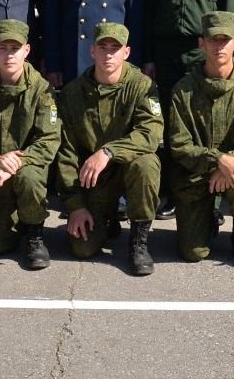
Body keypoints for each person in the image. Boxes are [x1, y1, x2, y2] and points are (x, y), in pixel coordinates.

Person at [56, 23, 163, 275]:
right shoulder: (73, 93)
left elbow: (151, 134)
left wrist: (108, 152)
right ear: (92, 51)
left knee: (147, 163)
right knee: (81, 248)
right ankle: (106, 219)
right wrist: (75, 206)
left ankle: (139, 240)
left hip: (127, 173)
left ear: (126, 52)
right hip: (94, 181)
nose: (108, 54)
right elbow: (66, 152)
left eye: (115, 48)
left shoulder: (142, 86)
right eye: (102, 47)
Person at [165, 11, 234, 267]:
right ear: (202, 43)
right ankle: (206, 218)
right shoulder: (184, 89)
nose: (218, 46)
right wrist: (218, 160)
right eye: (213, 39)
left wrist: (230, 163)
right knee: (192, 253)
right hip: (195, 175)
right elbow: (179, 144)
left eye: (225, 40)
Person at [0, 20, 60, 270]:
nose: (9, 55)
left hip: (30, 169)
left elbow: (49, 139)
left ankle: (34, 234)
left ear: (26, 50)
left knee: (28, 179)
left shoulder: (42, 89)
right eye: (3, 48)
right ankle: (14, 219)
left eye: (15, 49)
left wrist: (12, 164)